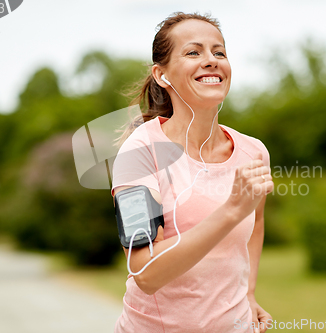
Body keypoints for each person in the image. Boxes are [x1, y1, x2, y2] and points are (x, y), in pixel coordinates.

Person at [111, 12, 274, 333]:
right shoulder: (138, 152)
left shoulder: (253, 151)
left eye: (219, 52)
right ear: (162, 75)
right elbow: (144, 273)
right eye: (193, 52)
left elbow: (255, 225)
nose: (211, 60)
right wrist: (229, 211)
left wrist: (250, 293)